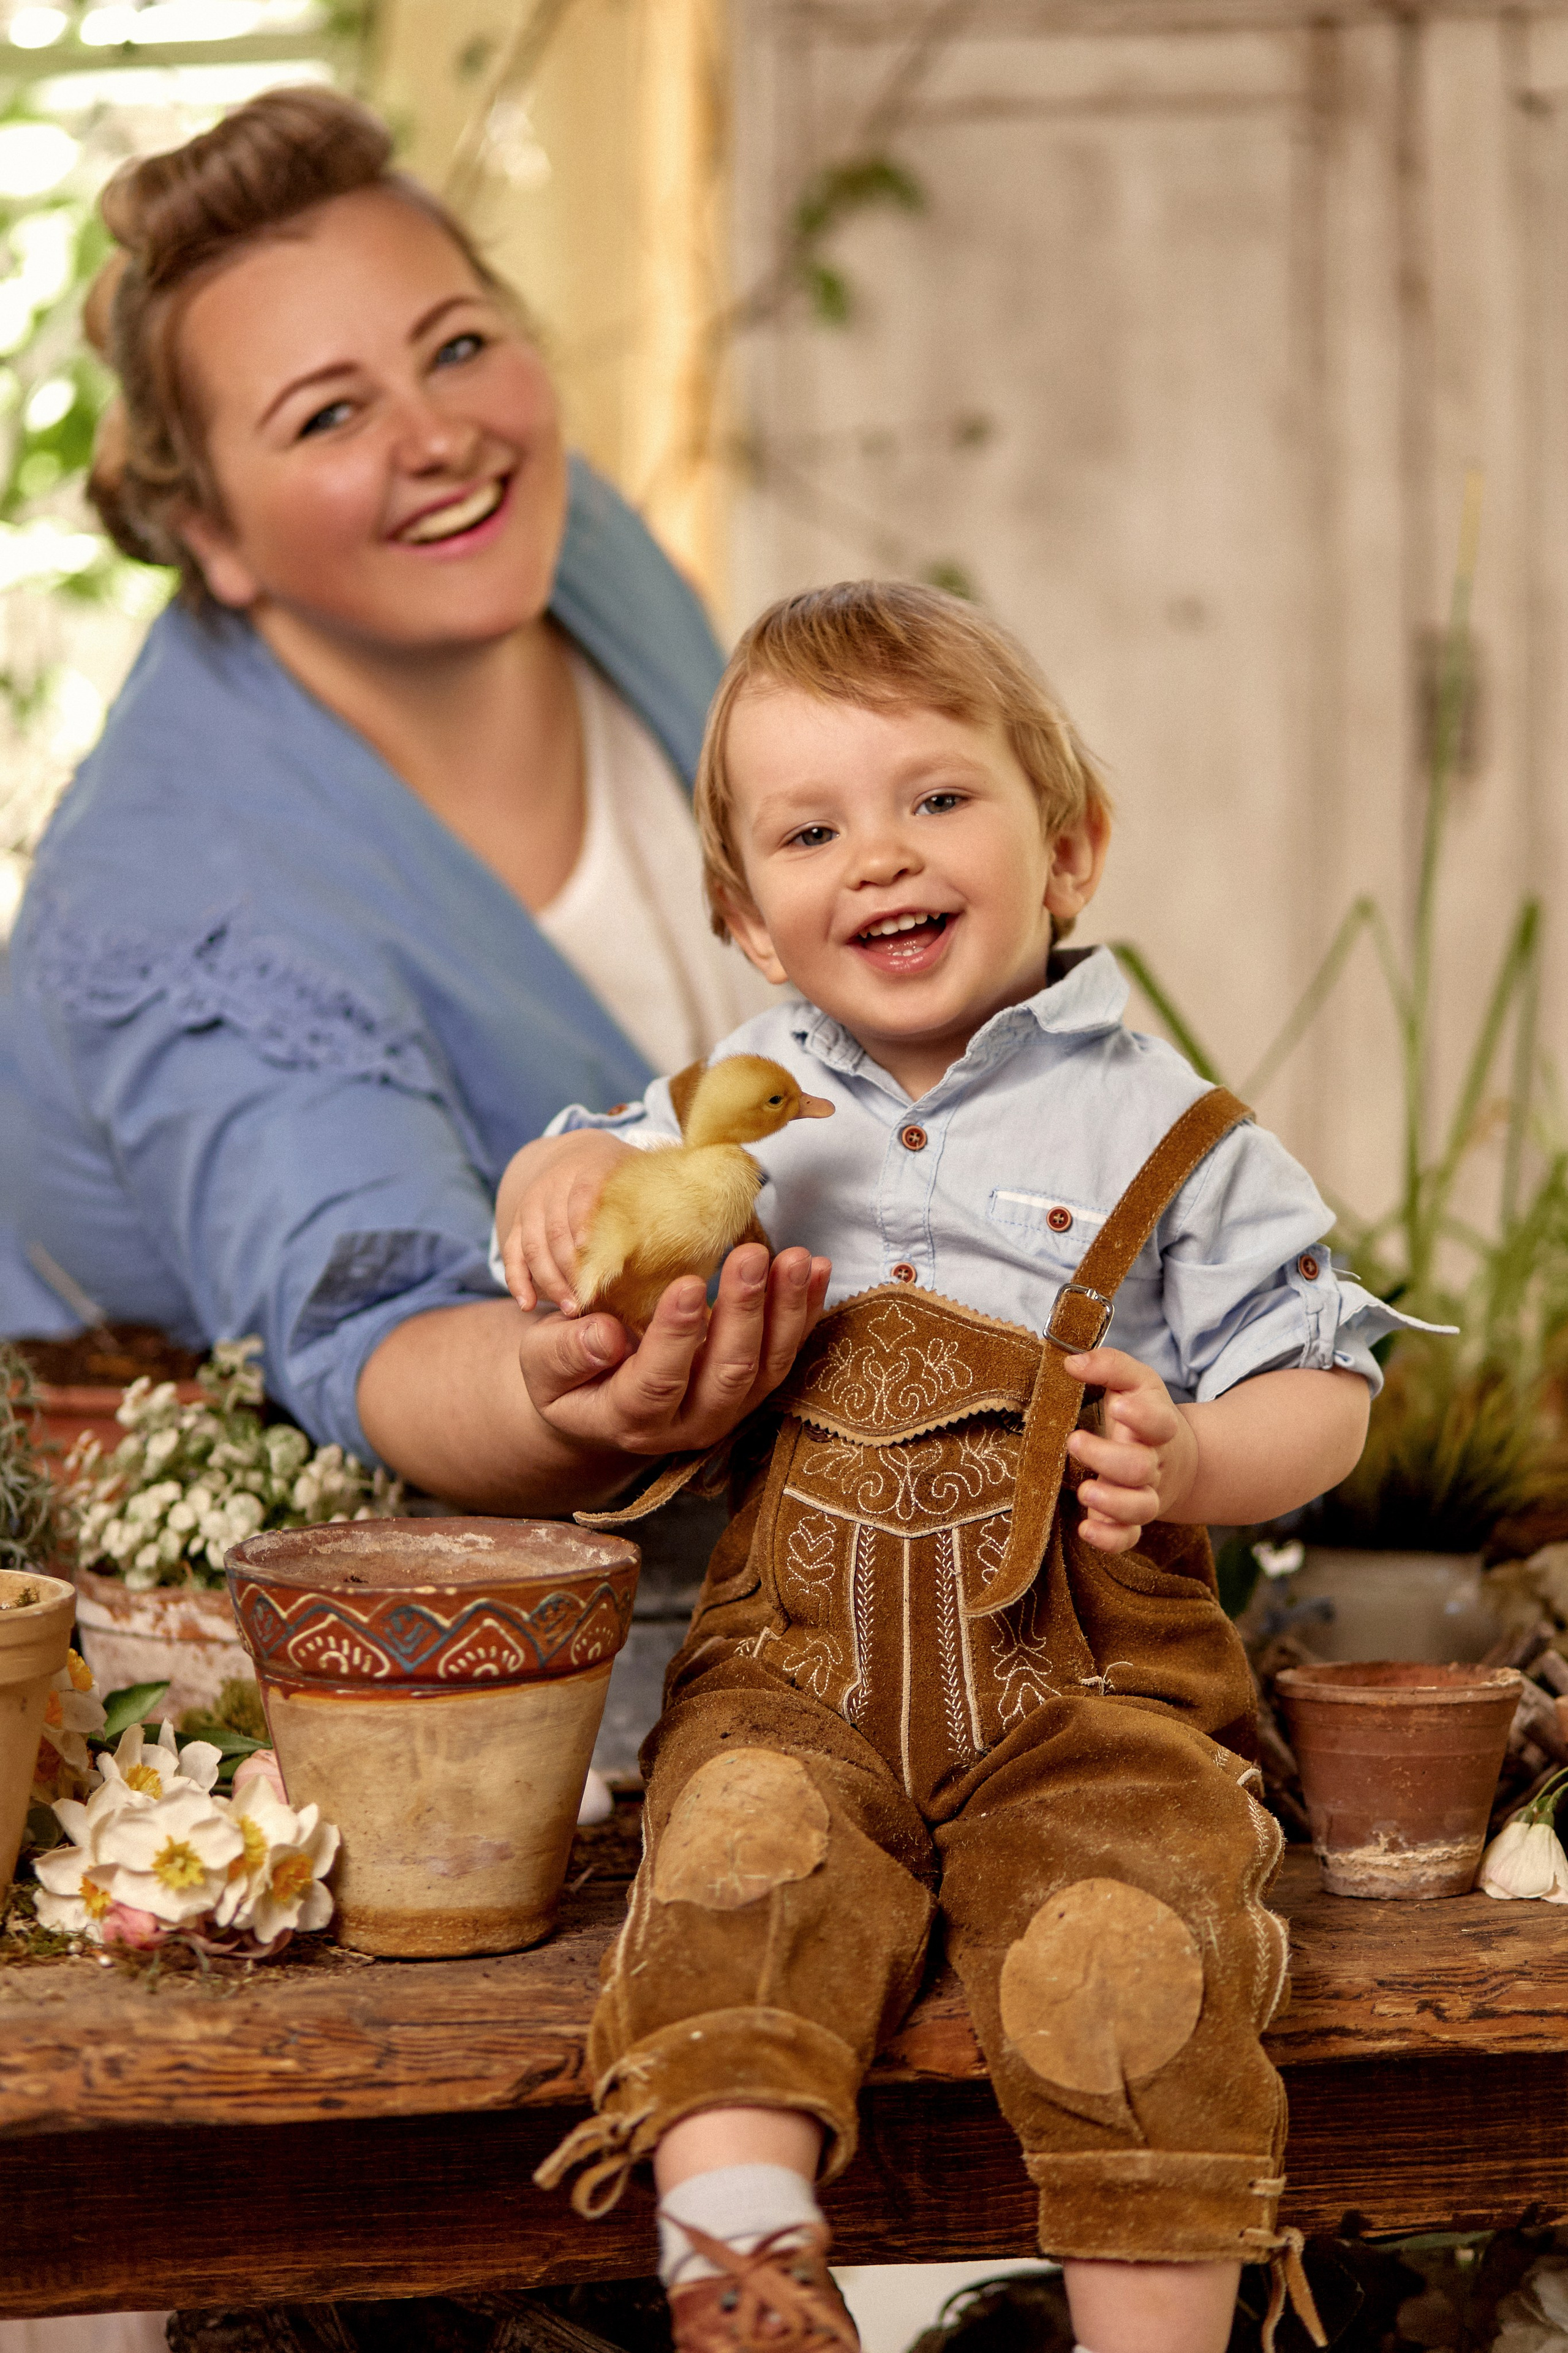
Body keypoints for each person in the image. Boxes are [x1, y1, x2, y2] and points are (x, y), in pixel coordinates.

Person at [496, 582, 1431, 2353]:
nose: (877, 856)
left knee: (1122, 1949)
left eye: (938, 799)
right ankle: (750, 2272)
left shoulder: (1174, 1127)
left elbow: (1328, 1378)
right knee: (736, 1858)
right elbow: (574, 1195)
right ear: (748, 920)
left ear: (1068, 851)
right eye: (810, 828)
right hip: (798, 1670)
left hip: (1092, 1690)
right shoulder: (724, 1097)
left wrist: (1204, 1451)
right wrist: (543, 1193)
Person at [0, 85, 827, 1509]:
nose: (440, 438)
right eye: (329, 415)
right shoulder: (188, 912)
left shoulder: (577, 546)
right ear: (211, 535)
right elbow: (363, 1330)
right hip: (301, 1620)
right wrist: (561, 1391)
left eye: (456, 346)